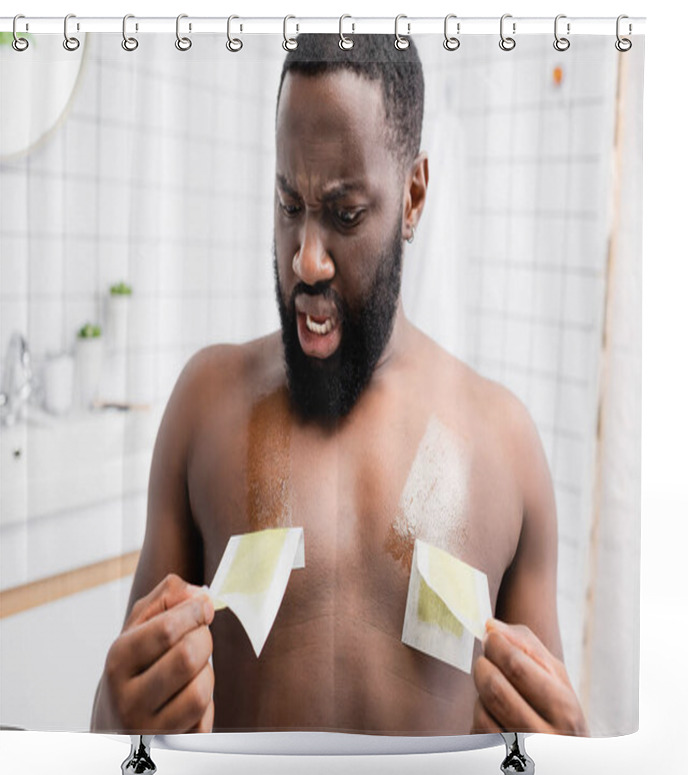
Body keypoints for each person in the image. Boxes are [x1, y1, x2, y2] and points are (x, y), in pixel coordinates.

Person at [91, 35, 587, 737]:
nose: (307, 259)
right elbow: (117, 740)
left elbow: (545, 762)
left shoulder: (503, 443)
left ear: (413, 196)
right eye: (289, 205)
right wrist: (116, 718)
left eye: (345, 214)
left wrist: (572, 764)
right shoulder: (205, 405)